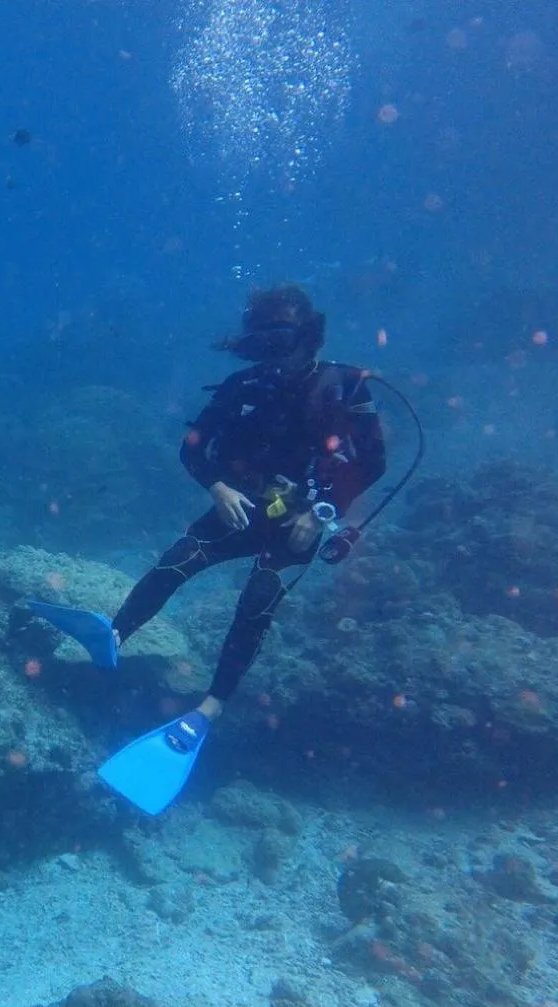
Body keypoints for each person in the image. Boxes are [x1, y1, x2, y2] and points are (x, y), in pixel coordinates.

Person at [29, 285, 387, 814]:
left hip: (300, 521)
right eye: (260, 342)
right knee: (177, 560)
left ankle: (210, 708)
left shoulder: (344, 386)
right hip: (242, 506)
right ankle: (116, 634)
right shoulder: (245, 386)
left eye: (280, 340)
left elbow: (372, 462)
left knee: (258, 601)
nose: (270, 354)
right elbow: (193, 447)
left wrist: (321, 512)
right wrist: (217, 486)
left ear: (308, 336)